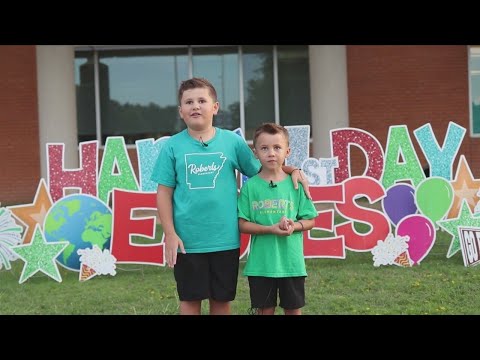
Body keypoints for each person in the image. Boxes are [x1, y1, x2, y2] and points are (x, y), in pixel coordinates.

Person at [151, 78, 310, 315]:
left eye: (202, 100)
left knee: (221, 299)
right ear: (181, 111)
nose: (196, 106)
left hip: (224, 239)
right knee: (189, 299)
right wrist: (171, 234)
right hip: (188, 241)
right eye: (189, 102)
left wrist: (292, 169)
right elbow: (164, 193)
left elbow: (262, 170)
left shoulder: (231, 142)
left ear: (215, 107)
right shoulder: (172, 147)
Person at [238, 123, 318, 315]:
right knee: (265, 310)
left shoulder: (296, 184)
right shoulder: (250, 187)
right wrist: (270, 229)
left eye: (277, 147)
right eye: (264, 148)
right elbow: (242, 223)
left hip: (291, 263)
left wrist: (294, 225)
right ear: (255, 152)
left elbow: (310, 220)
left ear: (287, 151)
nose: (271, 153)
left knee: (292, 309)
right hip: (261, 265)